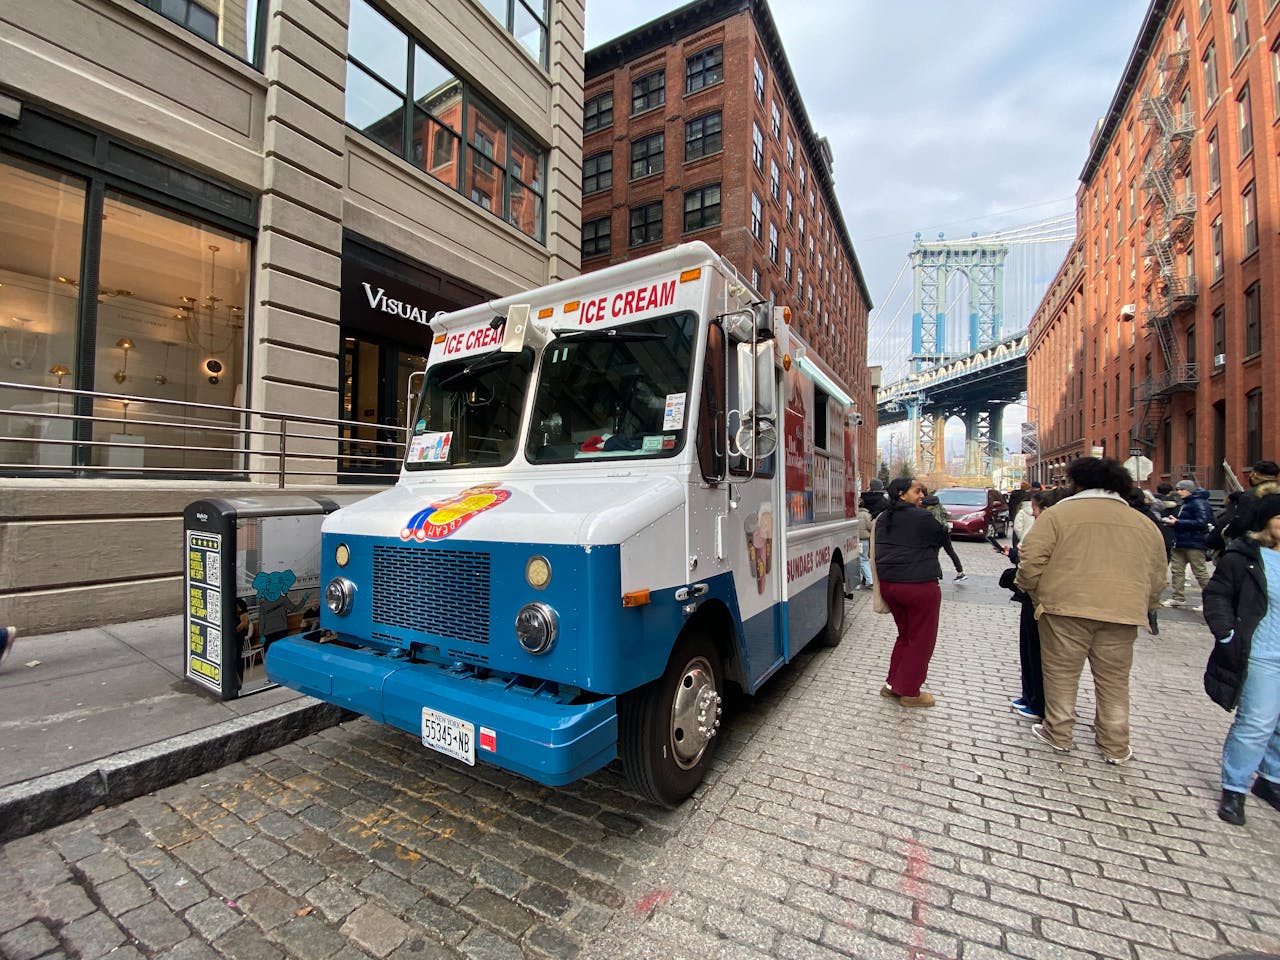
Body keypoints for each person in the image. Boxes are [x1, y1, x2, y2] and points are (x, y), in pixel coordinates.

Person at [1015, 458, 1167, 762]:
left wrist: (1034, 593)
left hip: (1064, 609)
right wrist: (1144, 606)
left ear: (1077, 482)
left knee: (1060, 675)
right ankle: (1115, 744)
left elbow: (1031, 560)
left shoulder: (1058, 514)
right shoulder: (1143, 522)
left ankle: (1058, 733)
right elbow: (1157, 574)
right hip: (1122, 613)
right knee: (1114, 680)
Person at [1202, 493, 1280, 826]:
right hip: (1261, 653)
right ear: (1265, 522)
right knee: (1257, 722)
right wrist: (1226, 635)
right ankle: (1234, 788)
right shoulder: (1245, 557)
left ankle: (1271, 780)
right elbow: (1217, 595)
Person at [874, 477, 947, 708]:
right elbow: (942, 537)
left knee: (905, 635)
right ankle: (909, 692)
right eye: (917, 491)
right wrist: (933, 512)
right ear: (902, 494)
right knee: (921, 640)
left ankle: (892, 684)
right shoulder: (922, 516)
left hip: (890, 585)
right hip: (918, 585)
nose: (921, 495)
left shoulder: (884, 517)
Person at [1000, 489, 1057, 721]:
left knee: (1037, 652)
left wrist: (1020, 581)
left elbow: (1037, 564)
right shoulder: (1046, 528)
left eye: (1034, 509)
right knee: (1030, 650)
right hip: (1034, 596)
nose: (1031, 513)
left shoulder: (1051, 528)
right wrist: (1015, 555)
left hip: (1040, 598)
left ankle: (1039, 702)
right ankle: (1030, 696)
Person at [1162, 480, 1213, 611]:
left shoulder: (1199, 503)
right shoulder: (1188, 503)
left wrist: (1178, 522)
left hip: (1194, 542)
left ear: (1189, 490)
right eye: (1178, 489)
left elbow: (1202, 522)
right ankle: (1178, 597)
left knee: (1199, 572)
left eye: (1182, 489)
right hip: (1181, 540)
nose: (1179, 492)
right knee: (1177, 570)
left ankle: (1211, 600)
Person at [1221, 460, 1280, 543]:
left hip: (1254, 544)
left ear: (1255, 474)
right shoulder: (1275, 494)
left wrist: (1225, 533)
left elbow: (1240, 524)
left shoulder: (1249, 496)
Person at [922, 490, 966, 582]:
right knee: (951, 552)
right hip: (945, 530)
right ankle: (960, 572)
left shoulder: (927, 507)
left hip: (936, 533)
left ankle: (937, 574)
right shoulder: (938, 503)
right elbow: (945, 513)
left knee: (934, 553)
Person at [855, 502, 874, 588]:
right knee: (864, 559)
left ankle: (868, 580)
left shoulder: (854, 514)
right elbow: (871, 526)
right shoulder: (867, 515)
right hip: (864, 540)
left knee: (859, 560)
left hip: (855, 540)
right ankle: (869, 579)